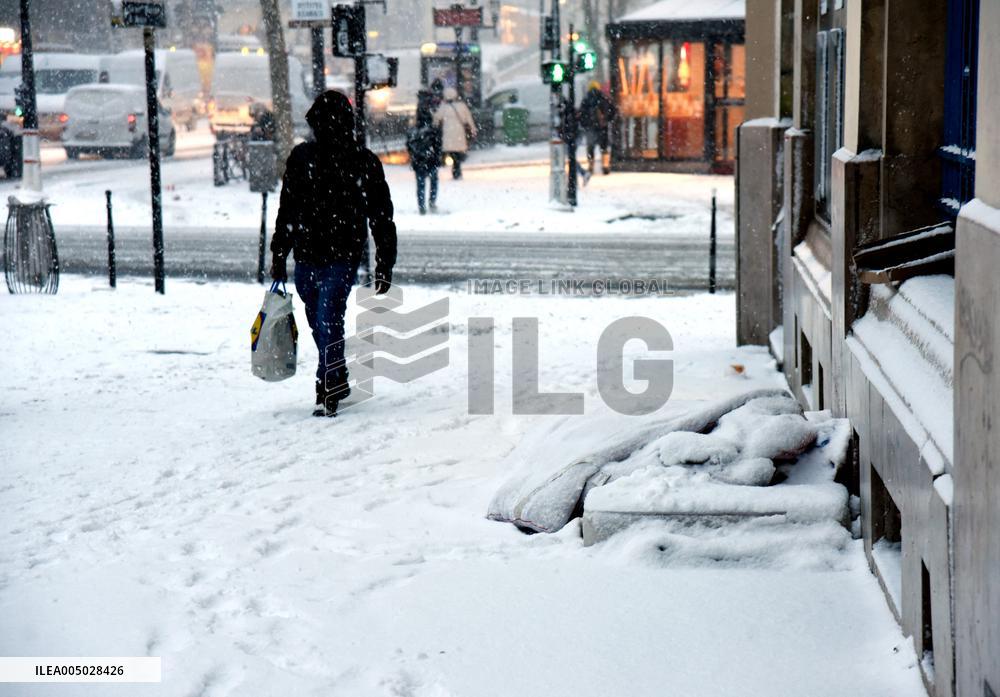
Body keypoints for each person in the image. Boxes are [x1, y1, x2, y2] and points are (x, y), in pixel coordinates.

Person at [270, 90, 397, 418]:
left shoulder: (359, 160)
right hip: (313, 252)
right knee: (320, 318)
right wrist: (279, 251)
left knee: (327, 317)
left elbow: (381, 215)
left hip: (338, 253)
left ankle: (327, 383)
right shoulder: (305, 159)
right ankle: (336, 373)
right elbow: (288, 208)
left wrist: (385, 261)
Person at [406, 95, 442, 215]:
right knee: (433, 181)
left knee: (420, 184)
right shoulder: (433, 130)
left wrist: (414, 155)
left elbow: (409, 145)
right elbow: (438, 144)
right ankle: (431, 201)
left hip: (419, 160)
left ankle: (421, 206)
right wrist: (437, 155)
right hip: (431, 159)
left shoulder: (413, 131)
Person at [433, 86, 477, 180]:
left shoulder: (443, 107)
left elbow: (436, 118)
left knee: (451, 151)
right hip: (459, 133)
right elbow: (468, 118)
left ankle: (452, 168)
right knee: (458, 152)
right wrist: (473, 129)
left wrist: (434, 124)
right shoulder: (462, 106)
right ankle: (457, 169)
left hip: (448, 133)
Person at [578, 81, 615, 175]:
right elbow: (613, 109)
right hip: (602, 128)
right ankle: (605, 166)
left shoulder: (586, 100)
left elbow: (581, 114)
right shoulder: (604, 98)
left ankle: (591, 166)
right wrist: (607, 120)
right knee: (604, 147)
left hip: (590, 128)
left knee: (590, 147)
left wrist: (584, 124)